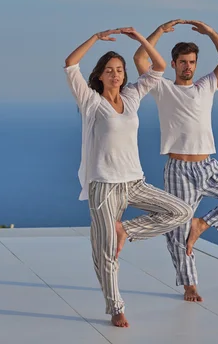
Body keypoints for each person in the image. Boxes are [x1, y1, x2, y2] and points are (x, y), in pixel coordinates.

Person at [64, 27, 194, 328]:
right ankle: (115, 307)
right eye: (109, 70)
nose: (116, 75)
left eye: (120, 70)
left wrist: (145, 38)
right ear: (100, 75)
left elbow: (160, 67)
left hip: (135, 182)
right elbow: (71, 64)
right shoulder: (91, 102)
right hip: (104, 188)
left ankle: (128, 231)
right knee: (105, 253)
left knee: (181, 211)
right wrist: (95, 38)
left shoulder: (133, 95)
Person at [133, 19, 218, 302]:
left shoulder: (207, 85)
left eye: (191, 61)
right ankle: (190, 285)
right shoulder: (161, 87)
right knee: (177, 229)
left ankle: (203, 224)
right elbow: (140, 58)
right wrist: (158, 32)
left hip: (208, 167)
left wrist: (211, 32)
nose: (188, 66)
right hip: (179, 170)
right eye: (182, 61)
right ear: (174, 63)